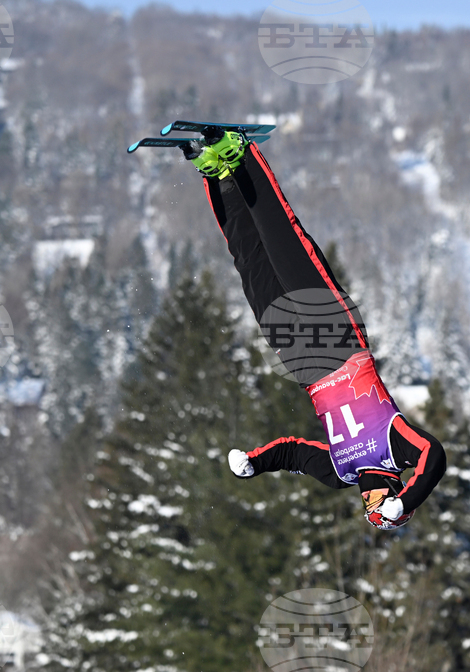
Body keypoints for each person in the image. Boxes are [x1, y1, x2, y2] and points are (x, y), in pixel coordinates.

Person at [180, 129, 446, 530]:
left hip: (303, 364)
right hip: (340, 343)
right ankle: (241, 155)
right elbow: (434, 456)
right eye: (378, 509)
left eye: (369, 513)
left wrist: (256, 463)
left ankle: (218, 176)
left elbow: (294, 454)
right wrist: (409, 502)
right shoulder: (396, 449)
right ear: (390, 495)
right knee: (283, 241)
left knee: (251, 264)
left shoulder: (340, 472)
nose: (369, 507)